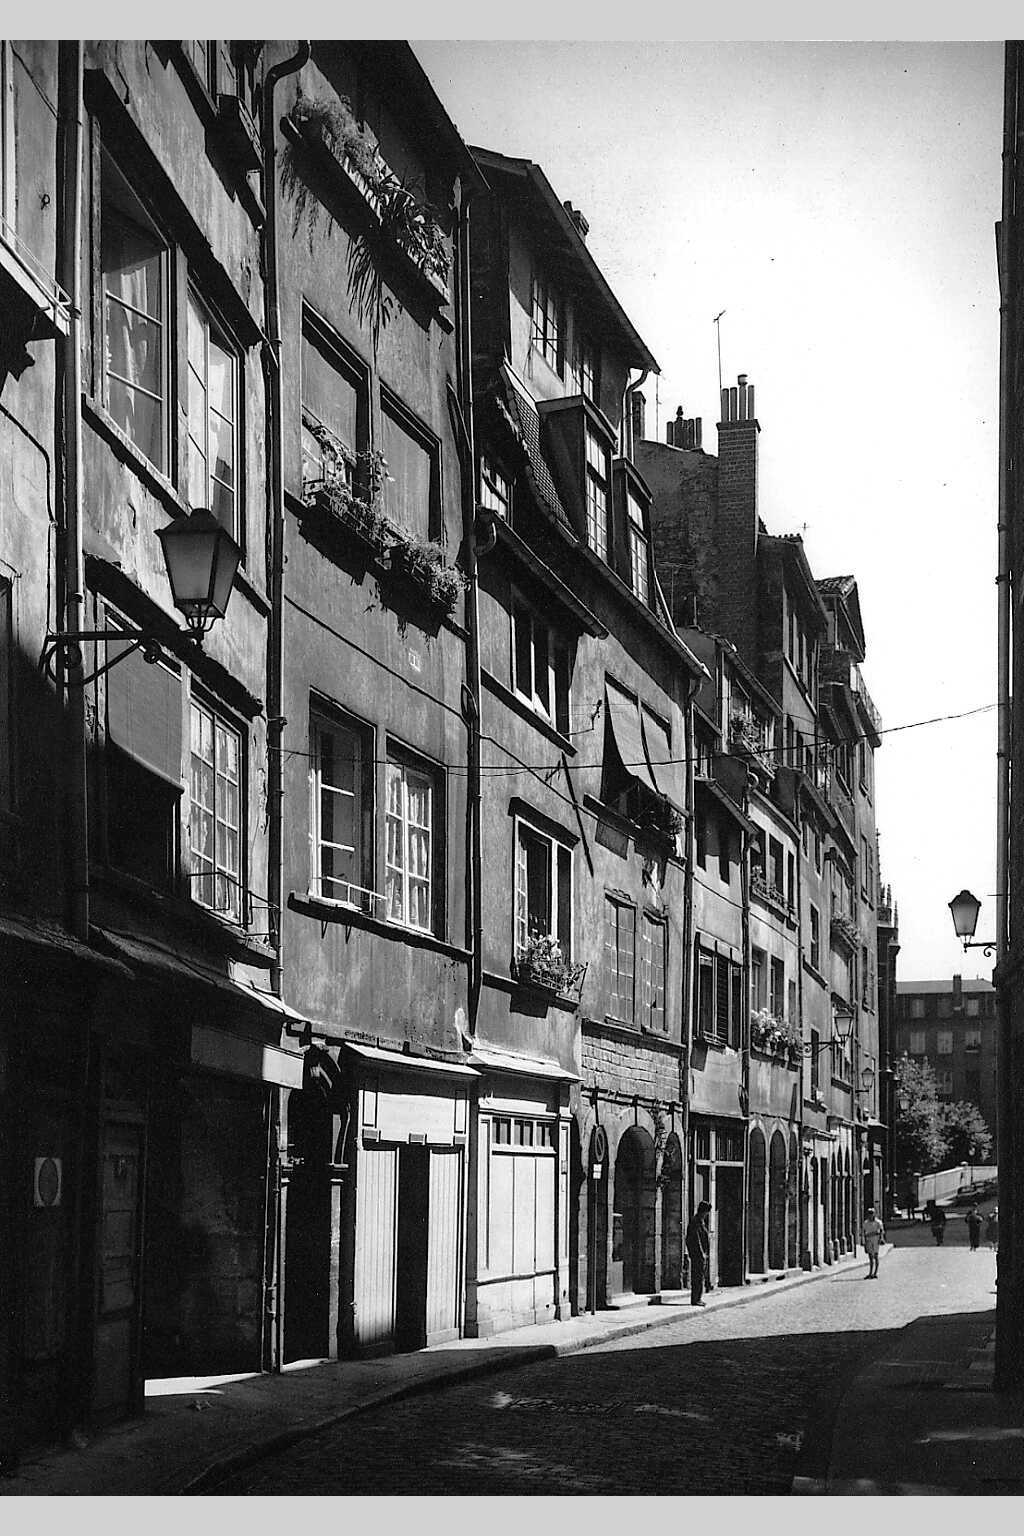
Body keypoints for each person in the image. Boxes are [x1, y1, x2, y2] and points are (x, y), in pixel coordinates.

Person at [686, 1200, 712, 1307]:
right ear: (703, 1211)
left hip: (700, 1254)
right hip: (698, 1255)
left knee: (699, 1276)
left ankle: (698, 1298)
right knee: (697, 1277)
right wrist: (701, 1253)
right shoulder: (696, 1222)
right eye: (706, 1212)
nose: (707, 1215)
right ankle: (696, 1299)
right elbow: (695, 1239)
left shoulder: (700, 1221)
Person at [863, 1206, 885, 1278]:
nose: (870, 1215)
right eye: (869, 1213)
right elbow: (864, 1232)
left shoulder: (878, 1222)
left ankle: (875, 1273)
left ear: (874, 1214)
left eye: (872, 1213)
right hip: (869, 1240)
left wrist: (881, 1239)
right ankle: (870, 1273)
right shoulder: (866, 1223)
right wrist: (864, 1242)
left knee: (876, 1256)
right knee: (870, 1257)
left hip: (876, 1240)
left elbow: (881, 1231)